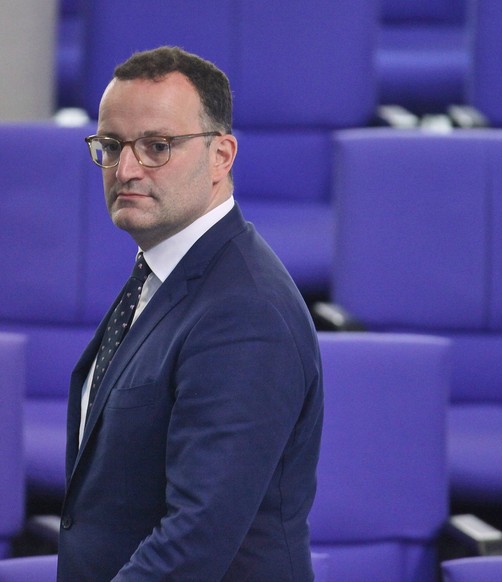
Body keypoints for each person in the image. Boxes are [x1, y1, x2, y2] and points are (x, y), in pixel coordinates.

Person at [58, 46, 323, 581]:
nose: (125, 169)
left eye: (157, 146)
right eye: (111, 146)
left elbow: (196, 538)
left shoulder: (245, 313)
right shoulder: (162, 273)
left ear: (221, 156)